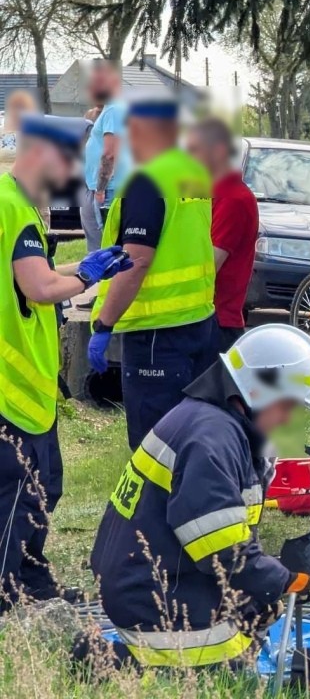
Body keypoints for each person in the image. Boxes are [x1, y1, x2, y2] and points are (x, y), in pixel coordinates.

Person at [88, 324, 310, 668]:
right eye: (287, 404)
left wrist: (257, 591)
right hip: (155, 601)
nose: (287, 418)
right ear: (258, 391)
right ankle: (116, 663)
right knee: (235, 665)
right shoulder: (211, 439)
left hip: (149, 581)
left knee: (254, 614)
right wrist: (281, 581)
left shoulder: (213, 424)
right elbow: (221, 548)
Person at [0, 114, 132, 609]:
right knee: (17, 493)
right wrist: (87, 278)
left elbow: (31, 272)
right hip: (10, 382)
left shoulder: (19, 205)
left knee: (43, 486)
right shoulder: (11, 206)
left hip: (28, 382)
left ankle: (29, 577)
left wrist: (82, 264)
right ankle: (6, 590)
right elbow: (38, 287)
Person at [89, 92, 219, 450]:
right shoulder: (193, 176)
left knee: (155, 447)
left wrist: (104, 323)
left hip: (155, 334)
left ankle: (157, 506)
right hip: (196, 321)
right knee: (189, 438)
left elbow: (137, 260)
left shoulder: (147, 183)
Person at [186, 117, 258, 350]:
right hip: (204, 318)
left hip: (217, 323)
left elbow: (210, 264)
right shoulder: (211, 193)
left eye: (194, 150)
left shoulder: (234, 199)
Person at [81, 60, 131, 253]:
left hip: (107, 191)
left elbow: (110, 154)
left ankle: (105, 283)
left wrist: (100, 190)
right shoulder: (109, 110)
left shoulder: (113, 109)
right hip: (102, 189)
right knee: (101, 247)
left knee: (104, 250)